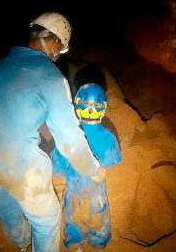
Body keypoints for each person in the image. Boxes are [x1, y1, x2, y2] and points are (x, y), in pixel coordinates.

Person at [0, 12, 106, 252]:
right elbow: (70, 140)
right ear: (52, 42)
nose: (57, 56)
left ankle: (22, 244)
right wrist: (92, 169)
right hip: (15, 160)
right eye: (59, 50)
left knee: (7, 207)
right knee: (47, 218)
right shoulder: (50, 77)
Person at [51, 83, 122, 251]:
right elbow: (114, 160)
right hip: (96, 188)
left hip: (74, 187)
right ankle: (99, 242)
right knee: (99, 215)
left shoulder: (68, 137)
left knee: (73, 216)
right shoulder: (108, 137)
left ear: (77, 105)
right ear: (103, 108)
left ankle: (75, 244)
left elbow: (58, 167)